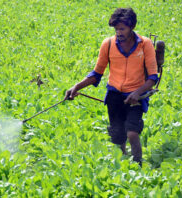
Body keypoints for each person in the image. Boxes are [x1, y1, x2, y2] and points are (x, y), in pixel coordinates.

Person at [65, 8, 158, 166]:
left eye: (122, 29)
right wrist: (77, 87)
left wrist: (137, 93)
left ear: (132, 27)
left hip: (136, 96)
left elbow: (152, 78)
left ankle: (138, 164)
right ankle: (123, 162)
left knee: (132, 133)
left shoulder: (145, 44)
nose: (119, 32)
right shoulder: (108, 44)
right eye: (116, 29)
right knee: (118, 135)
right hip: (115, 95)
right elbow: (96, 73)